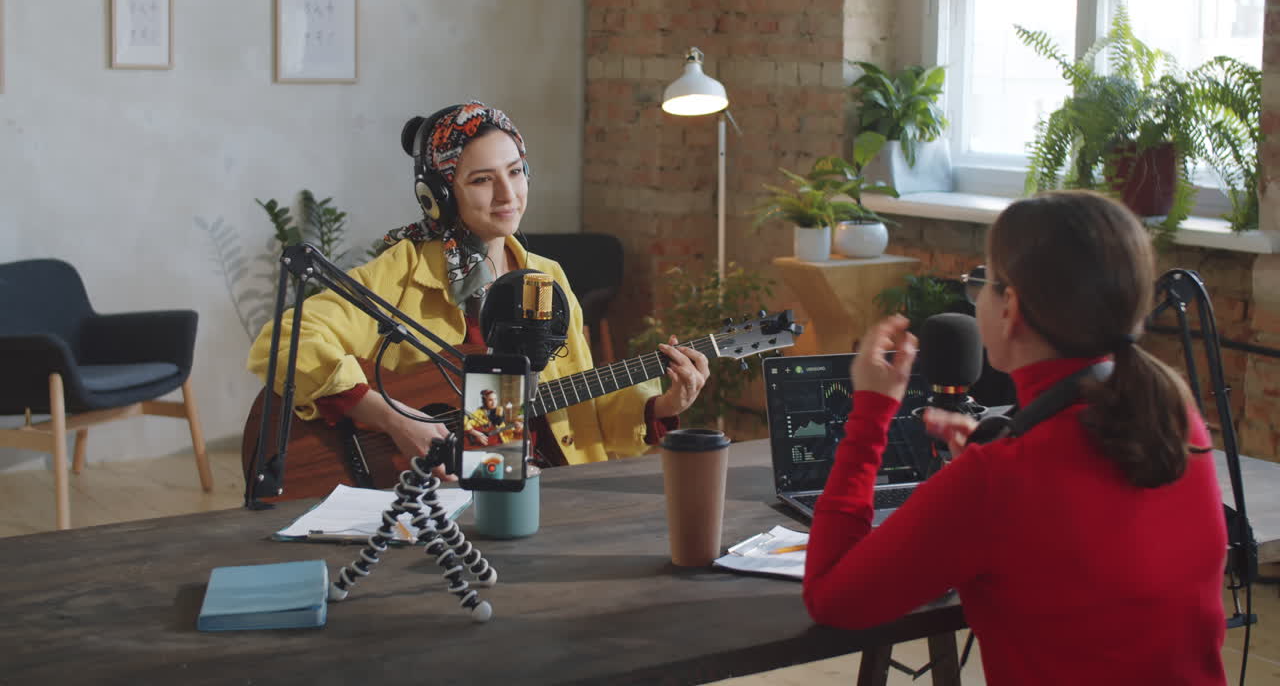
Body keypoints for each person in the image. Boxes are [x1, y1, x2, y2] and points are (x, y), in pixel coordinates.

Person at [803, 191, 1227, 684]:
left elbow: (831, 597)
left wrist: (872, 413)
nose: (977, 296)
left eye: (983, 281)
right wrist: (993, 454)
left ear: (1012, 308)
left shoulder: (1001, 479)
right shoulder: (1174, 415)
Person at [247, 100, 710, 473]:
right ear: (439, 195)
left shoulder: (546, 279)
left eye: (515, 171)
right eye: (483, 180)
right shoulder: (400, 272)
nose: (508, 194)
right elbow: (285, 340)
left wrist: (663, 402)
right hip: (436, 498)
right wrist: (393, 419)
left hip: (544, 484)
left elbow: (581, 403)